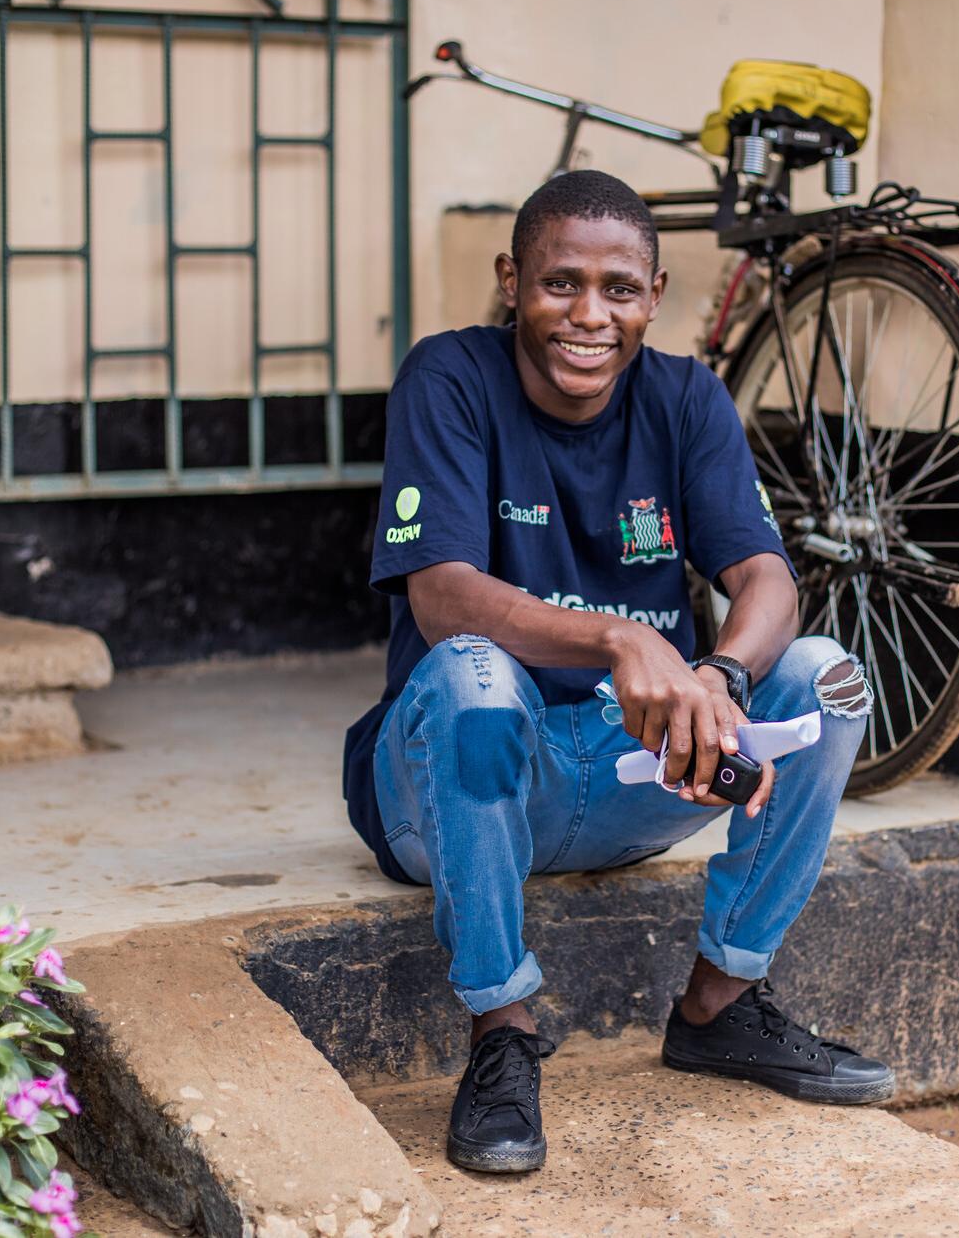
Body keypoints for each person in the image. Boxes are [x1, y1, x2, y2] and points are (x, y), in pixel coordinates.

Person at [342, 170, 888, 1174]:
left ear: (655, 292)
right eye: (559, 284)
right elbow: (443, 597)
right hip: (462, 779)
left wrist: (718, 673)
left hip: (638, 766)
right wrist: (619, 639)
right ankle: (501, 1035)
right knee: (470, 673)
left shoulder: (685, 396)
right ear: (512, 281)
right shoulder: (449, 379)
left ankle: (720, 1003)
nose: (589, 315)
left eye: (618, 289)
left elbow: (765, 576)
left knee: (826, 677)